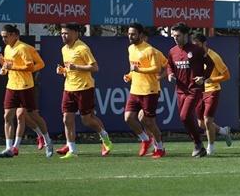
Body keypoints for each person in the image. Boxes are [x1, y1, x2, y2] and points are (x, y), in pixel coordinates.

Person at [54, 23, 113, 158]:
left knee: (87, 120)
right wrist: (63, 70)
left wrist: (77, 67)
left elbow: (95, 67)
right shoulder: (64, 49)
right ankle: (72, 150)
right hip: (68, 88)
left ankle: (104, 137)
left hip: (84, 88)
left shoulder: (82, 48)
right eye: (62, 33)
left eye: (66, 33)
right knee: (66, 119)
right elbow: (70, 68)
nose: (63, 36)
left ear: (75, 33)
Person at [0, 28, 52, 156]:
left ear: (14, 35)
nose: (3, 39)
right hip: (11, 86)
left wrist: (12, 67)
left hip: (25, 86)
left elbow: (30, 66)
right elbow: (8, 66)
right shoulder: (7, 49)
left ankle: (48, 141)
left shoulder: (22, 48)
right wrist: (4, 69)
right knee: (7, 116)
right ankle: (9, 148)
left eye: (6, 36)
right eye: (2, 37)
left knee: (33, 116)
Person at [167, 22, 215, 157]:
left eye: (178, 36)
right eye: (174, 36)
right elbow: (169, 65)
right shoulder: (172, 51)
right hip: (180, 90)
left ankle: (198, 144)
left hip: (194, 89)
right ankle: (198, 145)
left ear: (186, 35)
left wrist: (203, 77)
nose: (175, 38)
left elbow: (210, 64)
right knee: (184, 119)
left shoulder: (196, 50)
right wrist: (170, 73)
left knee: (185, 116)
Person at [123, 22, 166, 158]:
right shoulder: (130, 49)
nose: (130, 36)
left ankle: (160, 148)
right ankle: (145, 139)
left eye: (133, 34)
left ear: (141, 35)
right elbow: (134, 68)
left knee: (148, 121)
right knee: (128, 118)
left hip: (149, 90)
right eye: (129, 34)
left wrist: (139, 70)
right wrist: (129, 76)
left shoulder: (149, 50)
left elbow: (157, 68)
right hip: (135, 90)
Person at [191, 32, 233, 155]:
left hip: (212, 90)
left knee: (208, 120)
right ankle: (224, 131)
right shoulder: (194, 56)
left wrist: (212, 79)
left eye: (198, 45)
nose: (195, 48)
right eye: (194, 45)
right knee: (201, 123)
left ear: (204, 43)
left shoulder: (214, 56)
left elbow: (227, 75)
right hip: (199, 91)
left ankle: (211, 148)